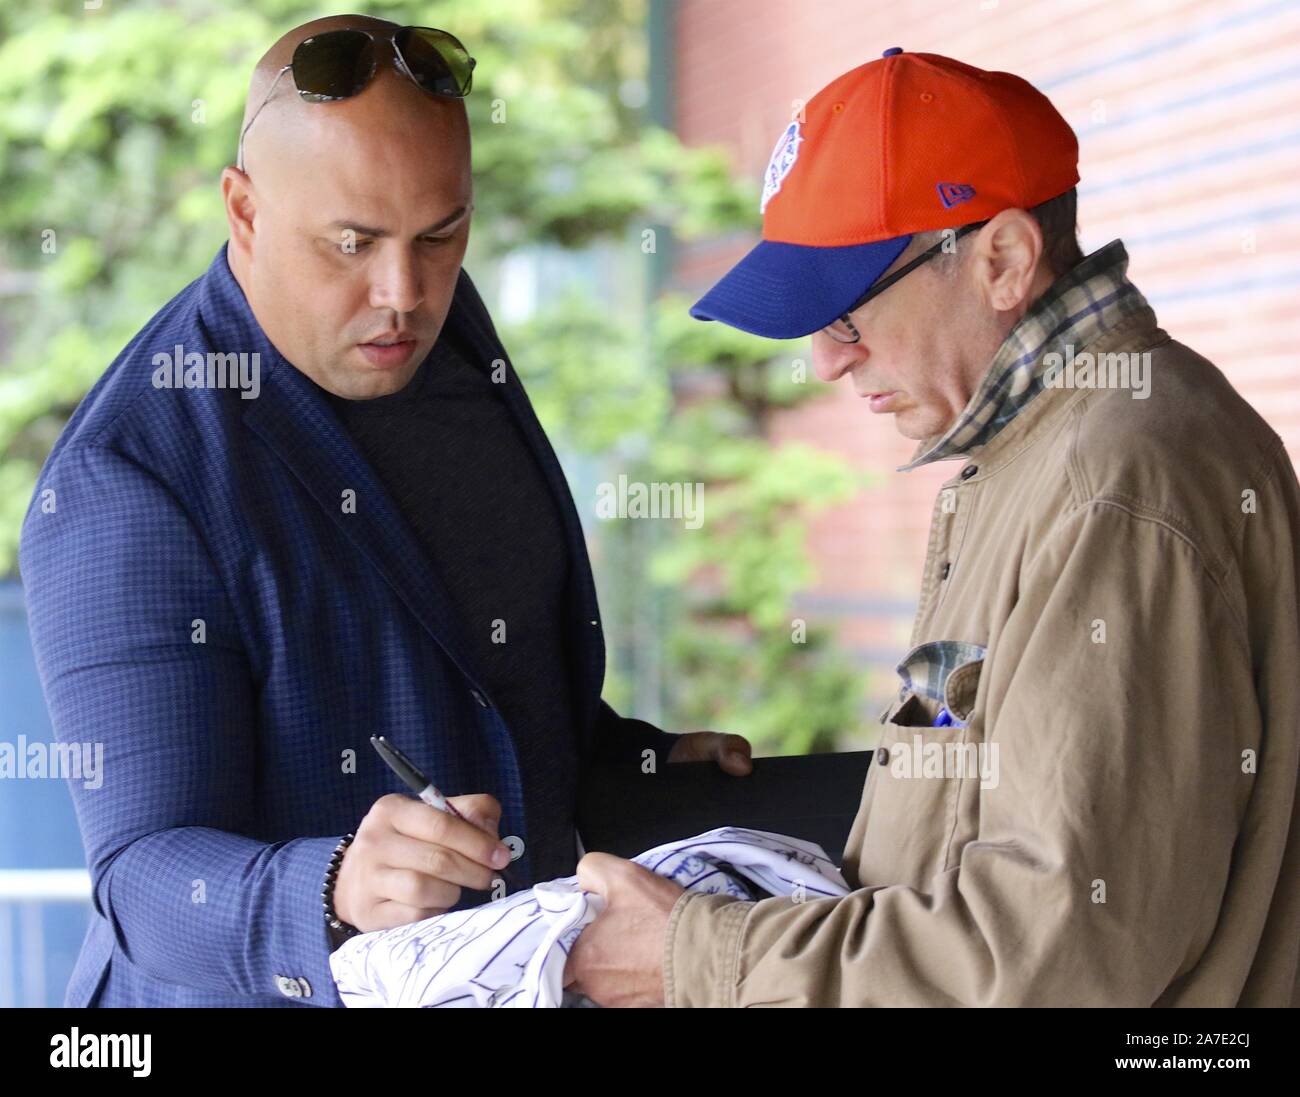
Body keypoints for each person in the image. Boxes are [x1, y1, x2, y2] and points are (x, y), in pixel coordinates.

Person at [19, 14, 749, 1009]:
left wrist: (617, 756)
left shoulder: (448, 344)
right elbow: (142, 878)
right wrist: (333, 886)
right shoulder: (130, 474)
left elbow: (469, 662)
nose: (402, 293)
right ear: (242, 211)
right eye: (350, 242)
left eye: (440, 235)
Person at [566, 48, 1300, 1008]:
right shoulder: (1034, 453)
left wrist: (704, 956)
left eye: (851, 310)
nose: (828, 360)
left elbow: (1060, 952)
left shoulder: (1112, 481)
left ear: (999, 259)